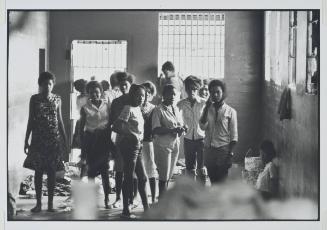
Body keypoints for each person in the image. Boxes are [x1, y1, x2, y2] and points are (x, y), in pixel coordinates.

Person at [23, 71, 68, 212]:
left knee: (52, 172)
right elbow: (31, 120)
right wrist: (26, 140)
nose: (47, 86)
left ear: (53, 84)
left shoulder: (58, 99)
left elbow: (59, 121)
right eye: (44, 84)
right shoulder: (34, 99)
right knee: (38, 171)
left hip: (54, 141)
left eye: (50, 84)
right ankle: (38, 204)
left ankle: (50, 204)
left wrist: (65, 140)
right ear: (40, 85)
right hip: (38, 141)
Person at [112, 84, 149, 218]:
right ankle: (125, 210)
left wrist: (137, 138)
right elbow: (115, 126)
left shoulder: (138, 109)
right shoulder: (128, 108)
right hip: (129, 146)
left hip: (137, 147)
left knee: (143, 178)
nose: (140, 97)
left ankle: (147, 209)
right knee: (128, 177)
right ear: (132, 95)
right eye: (138, 95)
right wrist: (131, 134)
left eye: (143, 95)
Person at [78, 80, 112, 209]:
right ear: (88, 94)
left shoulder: (107, 106)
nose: (95, 94)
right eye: (92, 93)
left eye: (97, 92)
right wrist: (83, 147)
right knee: (91, 172)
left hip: (104, 141)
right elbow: (82, 128)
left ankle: (107, 199)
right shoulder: (85, 108)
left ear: (101, 92)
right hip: (91, 141)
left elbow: (110, 123)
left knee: (105, 171)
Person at [199, 79, 238, 184]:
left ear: (223, 93)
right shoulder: (207, 109)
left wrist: (230, 154)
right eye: (212, 92)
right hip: (209, 150)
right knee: (212, 180)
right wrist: (207, 107)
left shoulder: (231, 111)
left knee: (221, 182)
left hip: (223, 151)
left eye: (218, 92)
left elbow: (234, 136)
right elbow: (202, 126)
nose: (215, 95)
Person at [152, 84, 187, 199]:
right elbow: (156, 129)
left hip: (174, 145)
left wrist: (183, 128)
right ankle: (161, 202)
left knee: (169, 176)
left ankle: (164, 201)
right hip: (163, 146)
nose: (172, 96)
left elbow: (179, 125)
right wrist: (172, 130)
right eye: (170, 94)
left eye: (174, 94)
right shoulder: (158, 110)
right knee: (163, 176)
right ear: (163, 95)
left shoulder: (176, 109)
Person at [109, 71, 138, 208]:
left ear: (130, 85)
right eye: (121, 85)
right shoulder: (116, 102)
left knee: (133, 170)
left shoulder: (135, 100)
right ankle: (119, 197)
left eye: (125, 85)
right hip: (121, 138)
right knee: (119, 169)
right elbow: (112, 122)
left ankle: (133, 198)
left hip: (136, 139)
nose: (123, 88)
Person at [177, 76, 207, 184]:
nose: (192, 91)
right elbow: (176, 118)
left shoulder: (204, 103)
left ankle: (201, 194)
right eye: (189, 89)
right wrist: (180, 125)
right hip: (188, 139)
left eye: (194, 89)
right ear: (186, 89)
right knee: (190, 169)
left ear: (198, 89)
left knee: (202, 169)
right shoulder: (181, 104)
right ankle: (191, 193)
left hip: (201, 139)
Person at [141, 81, 158, 203]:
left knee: (151, 169)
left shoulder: (154, 109)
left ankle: (153, 198)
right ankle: (137, 198)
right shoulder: (136, 107)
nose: (146, 95)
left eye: (149, 93)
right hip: (137, 143)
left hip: (149, 142)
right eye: (144, 92)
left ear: (152, 95)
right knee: (138, 172)